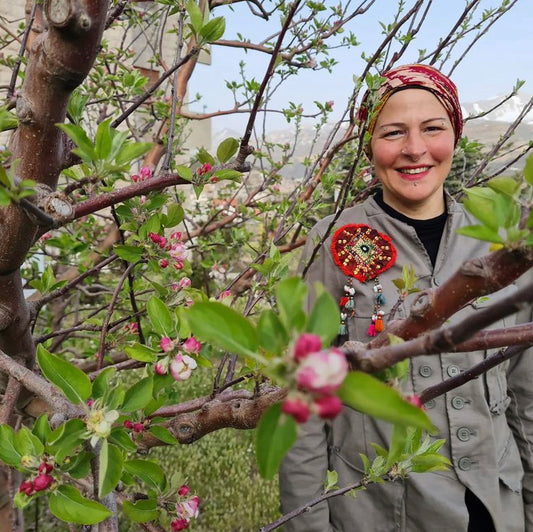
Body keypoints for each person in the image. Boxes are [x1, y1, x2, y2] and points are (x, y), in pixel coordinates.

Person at [279, 64, 533, 532]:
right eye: (393, 132)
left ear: (454, 135)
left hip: (498, 507)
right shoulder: (334, 241)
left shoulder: (500, 242)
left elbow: (527, 390)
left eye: (432, 128)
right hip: (383, 513)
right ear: (370, 146)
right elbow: (305, 404)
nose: (415, 149)